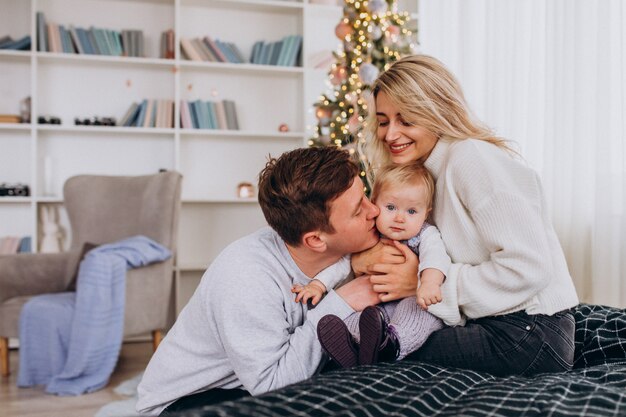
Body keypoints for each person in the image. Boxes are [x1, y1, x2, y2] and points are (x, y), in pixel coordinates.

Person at [350, 54, 580, 377]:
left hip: (531, 331)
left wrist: (425, 284)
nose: (390, 135)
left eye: (406, 120)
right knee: (386, 338)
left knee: (386, 351)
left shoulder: (469, 158)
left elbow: (530, 266)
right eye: (384, 121)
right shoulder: (422, 176)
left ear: (437, 113)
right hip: (500, 323)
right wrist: (362, 261)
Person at [136, 146, 382, 415]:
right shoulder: (245, 277)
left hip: (247, 385)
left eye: (366, 196)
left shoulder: (346, 251)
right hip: (187, 400)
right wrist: (341, 302)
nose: (375, 211)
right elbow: (273, 386)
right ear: (315, 240)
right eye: (359, 211)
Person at [294, 161, 450, 367]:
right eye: (391, 207)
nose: (400, 218)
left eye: (412, 211)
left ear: (426, 212)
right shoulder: (369, 235)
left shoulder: (425, 234)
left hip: (411, 300)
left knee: (420, 316)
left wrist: (429, 283)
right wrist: (318, 284)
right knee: (354, 320)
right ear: (375, 203)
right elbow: (343, 264)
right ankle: (350, 348)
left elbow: (436, 257)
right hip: (374, 308)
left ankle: (392, 345)